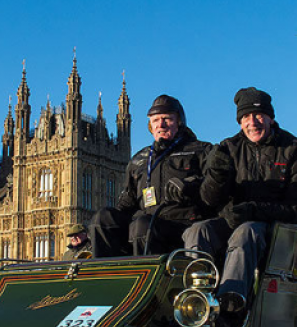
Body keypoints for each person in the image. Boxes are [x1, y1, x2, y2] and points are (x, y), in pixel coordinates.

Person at [184, 87, 297, 327]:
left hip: (274, 231)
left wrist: (253, 210)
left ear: (270, 117)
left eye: (258, 115)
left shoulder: (295, 149)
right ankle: (193, 304)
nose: (252, 122)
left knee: (246, 233)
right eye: (245, 117)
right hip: (233, 222)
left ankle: (230, 310)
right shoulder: (228, 147)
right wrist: (217, 176)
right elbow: (209, 202)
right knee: (197, 231)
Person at [90, 94, 211, 256]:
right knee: (102, 219)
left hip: (182, 225)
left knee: (142, 226)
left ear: (179, 122)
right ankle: (106, 276)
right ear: (150, 126)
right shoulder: (139, 160)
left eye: (167, 119)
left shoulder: (200, 151)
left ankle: (146, 279)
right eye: (155, 120)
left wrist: (192, 186)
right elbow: (128, 202)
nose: (161, 124)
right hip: (145, 224)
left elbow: (215, 188)